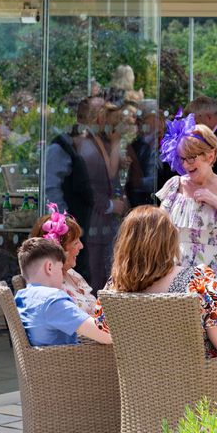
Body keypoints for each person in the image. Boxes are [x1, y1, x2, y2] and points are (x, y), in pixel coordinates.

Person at [108, 205, 217, 358]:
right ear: (169, 242)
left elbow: (104, 334)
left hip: (140, 389)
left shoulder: (115, 287)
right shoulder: (197, 281)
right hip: (205, 387)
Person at [156, 112, 217, 283]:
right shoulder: (174, 186)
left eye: (191, 158)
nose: (185, 164)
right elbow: (157, 232)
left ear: (210, 156)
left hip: (214, 276)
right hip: (176, 273)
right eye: (182, 158)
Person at [75, 98, 131, 291]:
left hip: (103, 223)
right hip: (95, 221)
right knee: (96, 274)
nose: (107, 118)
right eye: (103, 113)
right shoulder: (86, 143)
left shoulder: (97, 139)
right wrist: (109, 205)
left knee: (102, 272)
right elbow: (90, 184)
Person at [14, 238, 112, 347]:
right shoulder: (53, 300)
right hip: (75, 362)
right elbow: (106, 335)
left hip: (46, 361)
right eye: (61, 269)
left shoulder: (21, 297)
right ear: (49, 267)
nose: (62, 276)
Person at [45, 96, 96, 280]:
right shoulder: (59, 148)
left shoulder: (75, 147)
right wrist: (63, 225)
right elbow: (52, 189)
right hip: (68, 232)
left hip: (81, 229)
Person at [30, 206, 105, 327]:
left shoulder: (71, 274)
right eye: (75, 242)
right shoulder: (51, 287)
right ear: (58, 249)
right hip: (85, 342)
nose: (81, 246)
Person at [124, 99, 175, 207]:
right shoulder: (136, 145)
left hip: (160, 202)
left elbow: (162, 180)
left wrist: (140, 182)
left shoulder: (169, 146)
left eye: (144, 120)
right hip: (137, 200)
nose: (140, 125)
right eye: (140, 121)